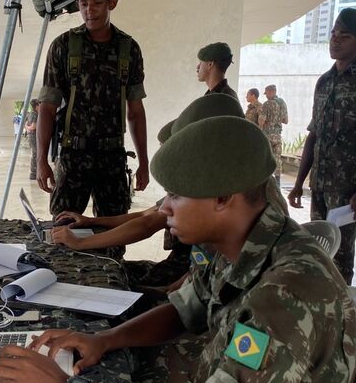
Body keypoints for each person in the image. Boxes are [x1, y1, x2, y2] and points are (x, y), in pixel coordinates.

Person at [0, 115, 356, 383]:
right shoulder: (244, 242)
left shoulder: (286, 295)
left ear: (223, 198)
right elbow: (186, 308)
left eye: (177, 196)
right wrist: (105, 340)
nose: (165, 208)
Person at [51, 94, 246, 290]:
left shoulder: (215, 192)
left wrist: (81, 242)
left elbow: (147, 224)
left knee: (108, 282)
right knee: (111, 273)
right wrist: (92, 222)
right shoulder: (208, 183)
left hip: (183, 274)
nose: (168, 206)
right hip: (188, 276)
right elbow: (146, 215)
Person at [288, 8, 356, 285]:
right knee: (318, 250)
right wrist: (299, 182)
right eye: (333, 33)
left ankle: (341, 308)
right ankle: (318, 304)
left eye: (344, 35)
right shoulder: (324, 81)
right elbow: (314, 134)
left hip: (348, 189)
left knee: (341, 257)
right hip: (320, 183)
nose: (335, 40)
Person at [36, 0, 148, 217]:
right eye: (83, 3)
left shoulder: (128, 49)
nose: (89, 10)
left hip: (112, 157)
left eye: (97, 3)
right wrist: (41, 160)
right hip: (72, 156)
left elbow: (135, 111)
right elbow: (47, 107)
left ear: (112, 3)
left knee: (115, 232)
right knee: (63, 228)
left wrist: (144, 162)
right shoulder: (63, 46)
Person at [260, 84, 287, 185]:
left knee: (266, 158)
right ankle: (277, 182)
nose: (266, 95)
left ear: (271, 92)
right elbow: (286, 121)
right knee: (277, 158)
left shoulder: (266, 104)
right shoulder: (282, 103)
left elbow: (261, 121)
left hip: (267, 135)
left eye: (266, 93)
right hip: (278, 136)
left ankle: (266, 181)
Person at [25, 99, 39, 180]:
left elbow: (25, 124)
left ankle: (34, 173)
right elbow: (34, 126)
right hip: (34, 137)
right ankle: (34, 173)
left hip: (31, 136)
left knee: (34, 154)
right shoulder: (35, 114)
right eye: (39, 104)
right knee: (35, 154)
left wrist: (28, 129)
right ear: (36, 106)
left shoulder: (30, 114)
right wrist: (30, 128)